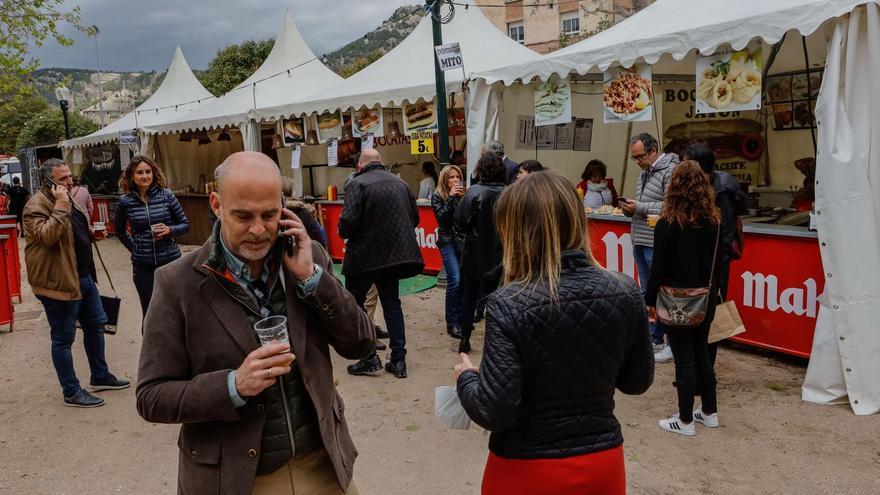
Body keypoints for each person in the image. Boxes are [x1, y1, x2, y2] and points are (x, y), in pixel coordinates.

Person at [136, 151, 373, 494]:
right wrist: (233, 385)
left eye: (270, 214)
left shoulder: (308, 257)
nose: (259, 229)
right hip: (237, 479)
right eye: (243, 215)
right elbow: (151, 396)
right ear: (216, 204)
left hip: (323, 464)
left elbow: (361, 344)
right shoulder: (176, 284)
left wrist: (312, 280)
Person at [455, 172, 654, 495]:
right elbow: (636, 381)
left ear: (517, 232)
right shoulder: (625, 291)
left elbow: (495, 410)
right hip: (602, 462)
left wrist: (467, 378)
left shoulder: (510, 303)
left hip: (527, 468)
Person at [23, 158, 129, 408]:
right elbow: (48, 236)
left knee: (96, 324)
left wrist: (91, 236)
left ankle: (100, 375)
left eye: (71, 177)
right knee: (62, 339)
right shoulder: (35, 205)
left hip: (83, 276)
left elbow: (71, 234)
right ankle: (71, 391)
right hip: (58, 283)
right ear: (47, 181)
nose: (70, 182)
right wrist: (60, 204)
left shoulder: (69, 199)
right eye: (63, 179)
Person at [645, 160, 721, 437]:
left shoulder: (666, 224)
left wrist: (649, 299)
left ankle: (686, 420)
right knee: (702, 354)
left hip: (675, 298)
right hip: (705, 297)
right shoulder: (714, 222)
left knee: (683, 358)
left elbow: (657, 269)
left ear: (673, 187)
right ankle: (709, 412)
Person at [339, 149, 424, 379]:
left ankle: (369, 357)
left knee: (354, 305)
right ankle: (398, 361)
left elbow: (347, 224)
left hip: (364, 257)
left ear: (360, 165)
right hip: (393, 256)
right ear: (380, 162)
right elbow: (414, 218)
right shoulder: (400, 183)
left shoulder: (357, 184)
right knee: (392, 304)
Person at [683, 143, 747, 367]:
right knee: (693, 318)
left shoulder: (722, 191)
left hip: (714, 266)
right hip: (700, 264)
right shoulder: (697, 188)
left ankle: (705, 371)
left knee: (710, 318)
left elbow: (726, 236)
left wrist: (719, 278)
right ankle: (696, 370)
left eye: (686, 163)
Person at [620, 132, 679, 363]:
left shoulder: (670, 171)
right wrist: (629, 209)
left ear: (654, 151)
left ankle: (671, 343)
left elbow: (670, 206)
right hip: (641, 238)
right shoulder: (643, 174)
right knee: (648, 294)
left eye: (640, 157)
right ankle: (655, 339)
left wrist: (639, 207)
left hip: (658, 241)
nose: (637, 162)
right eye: (634, 158)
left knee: (663, 293)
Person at [115, 156, 190, 316]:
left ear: (154, 173)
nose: (145, 176)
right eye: (140, 172)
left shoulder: (167, 195)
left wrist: (170, 230)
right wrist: (136, 248)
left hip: (170, 262)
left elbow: (185, 225)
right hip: (144, 266)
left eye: (148, 171)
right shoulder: (125, 202)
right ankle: (151, 341)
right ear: (132, 176)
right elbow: (120, 231)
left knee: (176, 309)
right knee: (150, 312)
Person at [454, 154, 506, 354]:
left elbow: (460, 219)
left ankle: (465, 338)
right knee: (494, 296)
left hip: (475, 251)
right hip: (500, 251)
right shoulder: (509, 192)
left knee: (470, 295)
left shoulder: (475, 191)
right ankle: (494, 340)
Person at [431, 164, 466, 338]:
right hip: (447, 241)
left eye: (457, 177)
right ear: (445, 180)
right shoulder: (438, 196)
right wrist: (451, 198)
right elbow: (442, 220)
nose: (455, 180)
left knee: (464, 280)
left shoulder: (464, 195)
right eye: (451, 177)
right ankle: (451, 322)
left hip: (463, 242)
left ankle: (460, 318)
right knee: (455, 279)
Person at [281, 176, 327, 247]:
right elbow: (314, 230)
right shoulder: (299, 209)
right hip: (308, 246)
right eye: (294, 190)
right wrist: (321, 247)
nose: (295, 192)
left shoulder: (278, 210)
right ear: (289, 191)